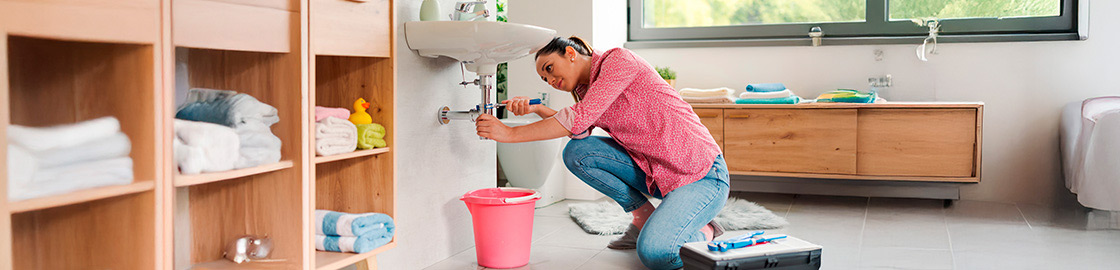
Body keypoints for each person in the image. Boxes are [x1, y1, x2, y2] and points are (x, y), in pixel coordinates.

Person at [474, 36, 729, 270]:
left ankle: (703, 230)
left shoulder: (618, 60)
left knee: (656, 254)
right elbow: (580, 133)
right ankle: (642, 218)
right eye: (544, 79)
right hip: (659, 176)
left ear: (570, 53)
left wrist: (509, 134)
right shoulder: (587, 90)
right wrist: (537, 109)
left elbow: (577, 119)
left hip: (702, 174)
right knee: (578, 152)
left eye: (549, 69)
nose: (550, 81)